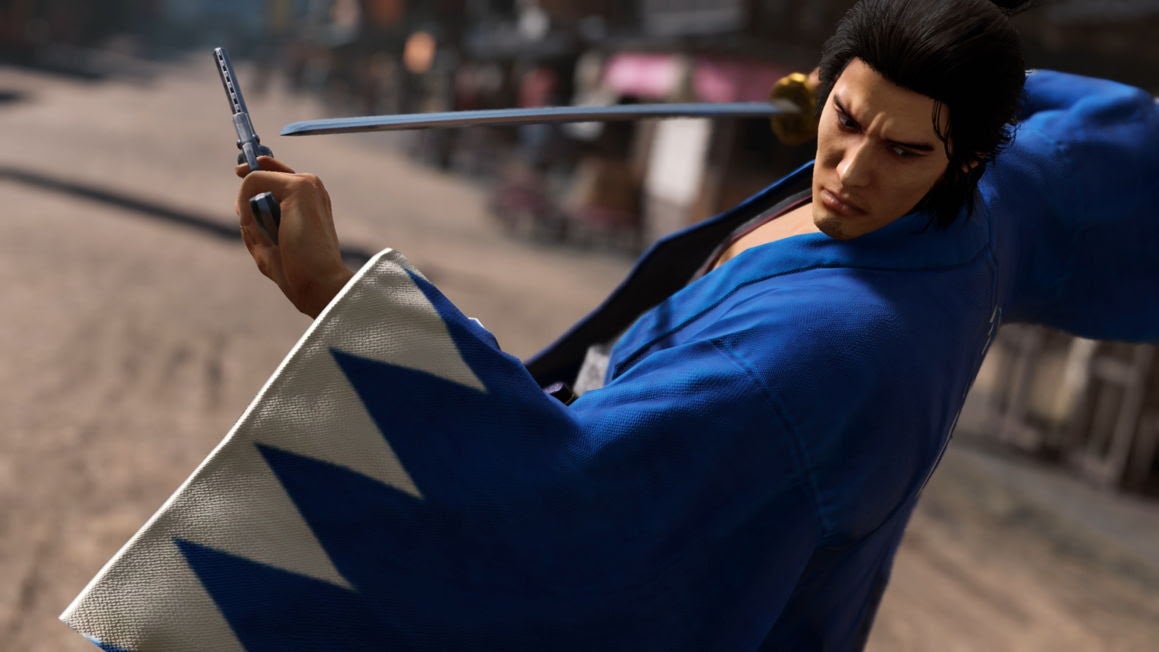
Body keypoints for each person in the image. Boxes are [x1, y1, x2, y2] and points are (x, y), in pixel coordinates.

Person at [233, 0, 1158, 648]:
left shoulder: (820, 353)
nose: (850, 173)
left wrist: (345, 302)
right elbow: (1118, 137)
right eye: (844, 117)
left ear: (970, 157)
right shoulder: (1003, 199)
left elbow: (571, 501)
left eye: (903, 149)